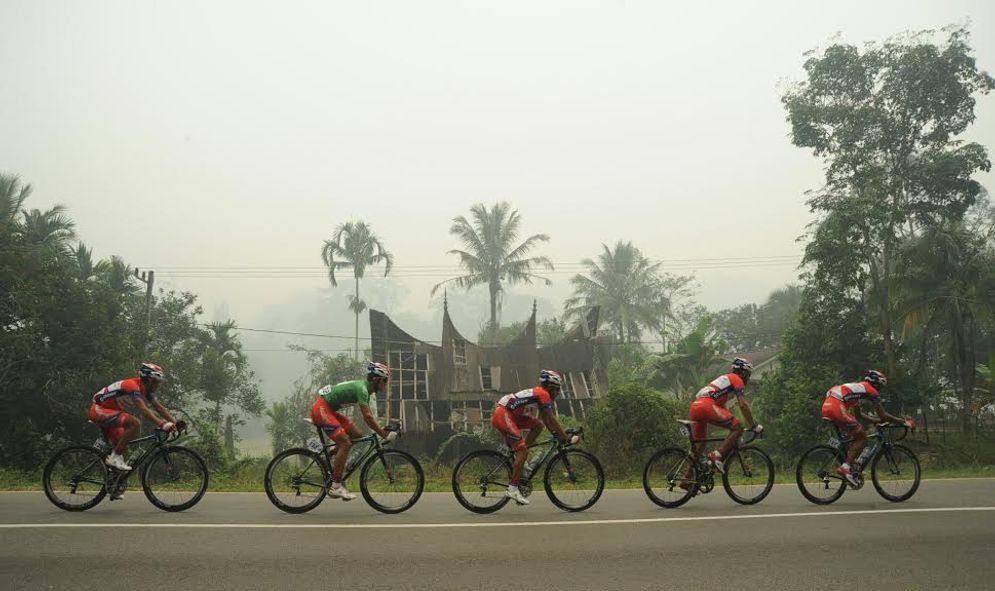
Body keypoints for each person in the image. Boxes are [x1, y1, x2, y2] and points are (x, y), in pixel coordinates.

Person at [491, 369, 579, 506]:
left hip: (511, 415)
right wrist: (565, 438)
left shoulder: (540, 394)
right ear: (550, 387)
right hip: (504, 414)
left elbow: (546, 420)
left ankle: (520, 459)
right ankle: (513, 489)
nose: (559, 392)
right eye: (557, 389)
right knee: (523, 451)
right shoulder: (543, 394)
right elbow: (552, 419)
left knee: (538, 425)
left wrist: (556, 435)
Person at [311, 361, 397, 501]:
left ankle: (332, 457)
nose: (386, 384)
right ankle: (336, 486)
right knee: (345, 443)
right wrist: (383, 434)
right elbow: (368, 417)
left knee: (356, 435)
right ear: (376, 380)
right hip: (321, 409)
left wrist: (381, 430)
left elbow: (368, 417)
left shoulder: (364, 390)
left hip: (328, 409)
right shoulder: (362, 389)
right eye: (385, 380)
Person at [821, 370, 915, 486]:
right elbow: (883, 415)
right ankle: (845, 468)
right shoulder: (871, 391)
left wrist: (876, 421)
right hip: (836, 406)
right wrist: (904, 422)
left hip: (828, 406)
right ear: (877, 384)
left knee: (855, 435)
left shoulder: (857, 389)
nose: (879, 391)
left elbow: (858, 416)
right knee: (862, 438)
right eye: (881, 387)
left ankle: (849, 464)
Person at [89, 362, 177, 472]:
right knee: (135, 423)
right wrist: (162, 424)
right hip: (99, 410)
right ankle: (114, 458)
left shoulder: (146, 390)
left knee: (122, 444)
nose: (158, 385)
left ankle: (113, 479)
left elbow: (159, 408)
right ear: (150, 380)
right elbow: (144, 410)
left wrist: (175, 423)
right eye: (157, 382)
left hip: (110, 411)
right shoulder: (132, 386)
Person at [689, 357, 763, 474]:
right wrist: (753, 425)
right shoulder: (736, 379)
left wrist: (735, 433)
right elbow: (743, 405)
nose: (748, 377)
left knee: (700, 446)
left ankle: (687, 480)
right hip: (706, 405)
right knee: (738, 426)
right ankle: (716, 455)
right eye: (748, 374)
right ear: (743, 373)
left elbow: (723, 410)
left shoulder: (724, 382)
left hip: (696, 407)